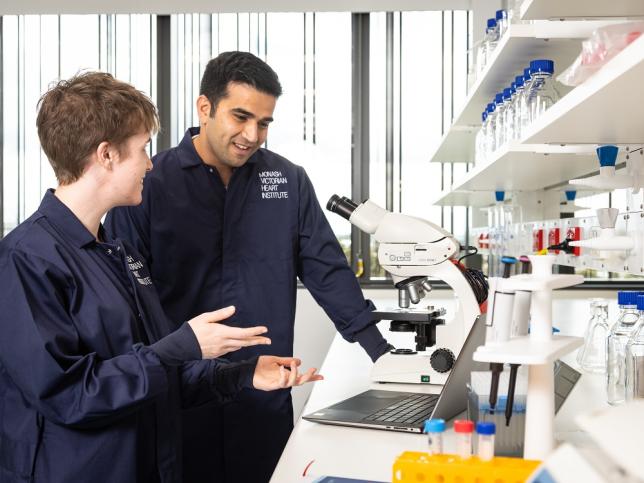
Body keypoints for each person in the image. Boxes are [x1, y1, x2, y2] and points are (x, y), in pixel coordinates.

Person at [0, 71, 322, 483]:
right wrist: (181, 345)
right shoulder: (26, 259)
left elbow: (151, 371)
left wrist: (241, 374)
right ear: (107, 155)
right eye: (142, 149)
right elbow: (70, 396)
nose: (151, 163)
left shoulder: (119, 253)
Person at [105, 51, 390, 483]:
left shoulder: (288, 180)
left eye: (264, 123)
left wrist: (381, 355)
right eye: (240, 117)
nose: (253, 134)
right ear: (205, 108)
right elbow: (127, 298)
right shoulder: (149, 183)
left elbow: (326, 268)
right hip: (179, 397)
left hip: (263, 390)